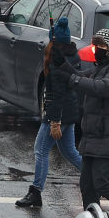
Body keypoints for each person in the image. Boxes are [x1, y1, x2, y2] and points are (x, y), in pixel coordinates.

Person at [52, 28, 109, 210]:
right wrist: (62, 64)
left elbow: (104, 87)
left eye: (100, 47)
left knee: (101, 182)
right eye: (95, 47)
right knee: (87, 186)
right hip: (93, 134)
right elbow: (84, 77)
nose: (96, 51)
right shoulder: (101, 67)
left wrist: (73, 81)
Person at [16, 19, 82, 208]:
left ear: (54, 42)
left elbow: (57, 95)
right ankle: (93, 178)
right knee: (69, 151)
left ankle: (36, 192)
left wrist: (54, 121)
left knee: (41, 150)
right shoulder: (71, 55)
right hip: (69, 112)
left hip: (59, 114)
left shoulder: (57, 63)